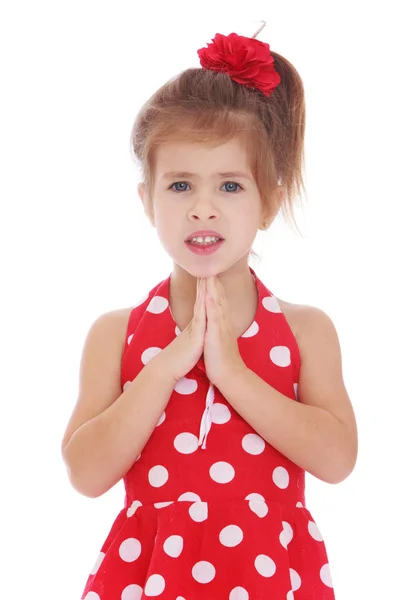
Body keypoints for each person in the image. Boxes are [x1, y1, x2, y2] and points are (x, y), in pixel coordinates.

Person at [61, 24, 358, 600]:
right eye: (178, 186)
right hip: (150, 576)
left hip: (270, 575)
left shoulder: (304, 330)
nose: (203, 210)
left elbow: (338, 458)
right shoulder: (116, 333)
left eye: (228, 186)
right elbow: (86, 473)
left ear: (268, 201)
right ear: (147, 199)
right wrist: (164, 370)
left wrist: (234, 376)